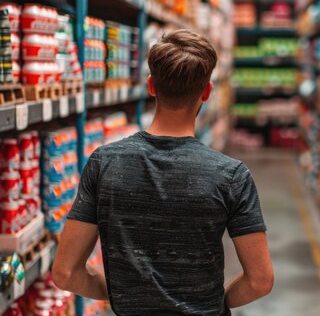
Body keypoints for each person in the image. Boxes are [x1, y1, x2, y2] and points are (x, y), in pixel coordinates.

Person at [52, 29, 274, 315]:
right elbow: (260, 280)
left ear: (151, 86)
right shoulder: (231, 175)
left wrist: (125, 294)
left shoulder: (104, 163)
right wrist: (215, 303)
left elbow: (65, 273)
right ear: (207, 91)